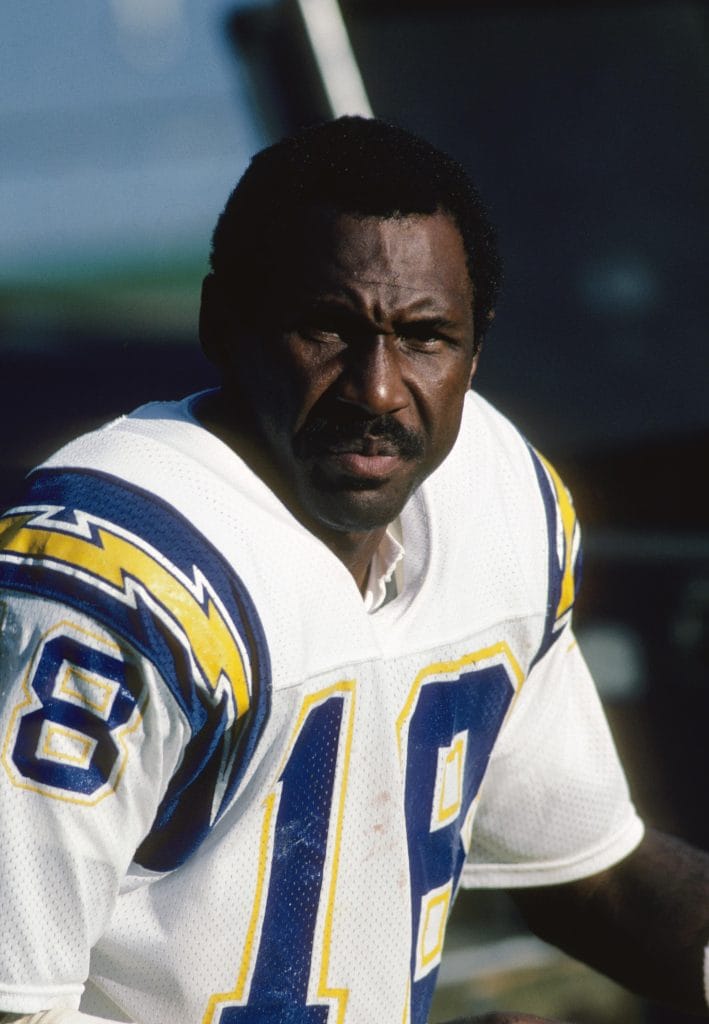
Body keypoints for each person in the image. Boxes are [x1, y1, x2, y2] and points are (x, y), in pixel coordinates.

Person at [0, 116, 707, 1024]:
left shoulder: (494, 498)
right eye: (327, 332)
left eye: (424, 337)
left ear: (475, 347)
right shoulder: (110, 582)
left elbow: (591, 876)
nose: (376, 390)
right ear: (224, 325)